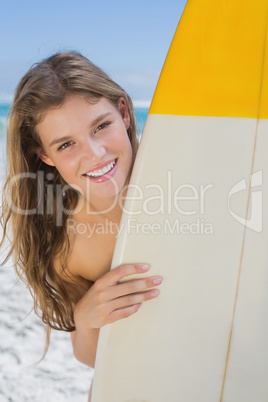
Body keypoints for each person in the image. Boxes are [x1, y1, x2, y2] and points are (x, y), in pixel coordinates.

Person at [0, 51, 162, 399]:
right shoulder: (70, 247)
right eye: (66, 144)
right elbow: (91, 357)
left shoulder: (177, 163)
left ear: (124, 113)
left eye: (101, 125)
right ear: (46, 156)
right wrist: (86, 319)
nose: (95, 153)